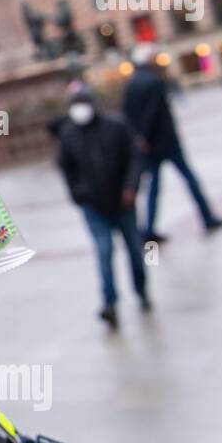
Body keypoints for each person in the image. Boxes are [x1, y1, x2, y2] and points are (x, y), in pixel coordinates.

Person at [57, 84, 148, 328]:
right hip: (94, 207)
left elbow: (134, 156)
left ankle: (142, 291)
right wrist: (78, 196)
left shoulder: (115, 127)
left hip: (123, 203)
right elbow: (66, 169)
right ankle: (109, 303)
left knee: (135, 251)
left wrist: (131, 187)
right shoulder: (69, 135)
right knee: (104, 252)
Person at [122, 44, 222, 243]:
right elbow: (153, 113)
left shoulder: (131, 84)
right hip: (166, 143)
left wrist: (138, 138)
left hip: (148, 146)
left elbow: (127, 115)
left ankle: (148, 230)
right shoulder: (154, 81)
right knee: (189, 180)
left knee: (153, 188)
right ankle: (207, 217)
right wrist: (143, 136)